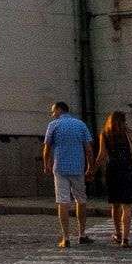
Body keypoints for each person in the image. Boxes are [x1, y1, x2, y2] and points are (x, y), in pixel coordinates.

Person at [40, 100, 94, 248]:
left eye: (53, 111)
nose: (52, 114)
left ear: (59, 110)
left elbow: (47, 147)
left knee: (63, 202)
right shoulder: (80, 124)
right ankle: (82, 234)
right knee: (81, 200)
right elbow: (88, 148)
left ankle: (66, 238)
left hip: (60, 168)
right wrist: (91, 166)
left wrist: (46, 164)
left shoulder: (53, 125)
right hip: (78, 167)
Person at [92, 108, 132, 247]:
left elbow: (102, 156)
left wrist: (92, 170)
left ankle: (118, 234)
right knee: (127, 206)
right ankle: (126, 239)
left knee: (115, 205)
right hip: (128, 169)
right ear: (123, 121)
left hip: (113, 170)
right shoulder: (127, 133)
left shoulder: (105, 134)